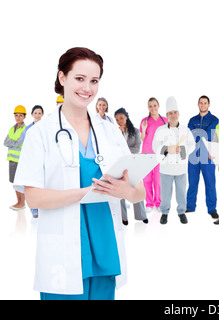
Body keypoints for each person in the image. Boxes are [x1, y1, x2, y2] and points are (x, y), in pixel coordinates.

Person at [13, 47, 146, 300]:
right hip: (62, 256)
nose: (87, 88)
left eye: (94, 81)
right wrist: (85, 193)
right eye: (80, 79)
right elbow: (34, 199)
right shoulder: (40, 133)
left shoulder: (108, 131)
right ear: (62, 78)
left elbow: (139, 192)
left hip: (106, 247)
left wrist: (125, 191)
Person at [152, 97, 195, 224]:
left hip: (181, 167)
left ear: (178, 114)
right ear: (167, 116)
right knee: (165, 193)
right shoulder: (160, 130)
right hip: (166, 168)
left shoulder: (185, 130)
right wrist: (166, 149)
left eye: (175, 112)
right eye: (170, 113)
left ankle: (181, 212)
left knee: (181, 192)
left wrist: (181, 149)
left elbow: (192, 144)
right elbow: (155, 146)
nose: (173, 115)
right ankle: (164, 212)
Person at [186, 95, 219, 218]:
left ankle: (212, 209)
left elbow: (207, 135)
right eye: (201, 103)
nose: (203, 105)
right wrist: (197, 134)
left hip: (208, 155)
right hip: (193, 155)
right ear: (198, 104)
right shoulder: (192, 119)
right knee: (192, 182)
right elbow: (189, 136)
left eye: (205, 103)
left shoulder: (214, 119)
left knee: (210, 183)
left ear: (209, 105)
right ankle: (190, 207)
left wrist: (197, 133)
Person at [114, 107, 147, 225]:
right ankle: (124, 217)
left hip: (133, 163)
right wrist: (120, 134)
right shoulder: (115, 133)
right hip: (121, 164)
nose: (119, 121)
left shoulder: (136, 131)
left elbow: (137, 148)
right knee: (121, 189)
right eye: (117, 120)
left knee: (137, 187)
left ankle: (141, 215)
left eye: (121, 118)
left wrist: (124, 150)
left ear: (126, 117)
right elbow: (115, 149)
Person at [140, 97, 168, 212]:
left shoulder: (165, 120)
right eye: (150, 106)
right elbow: (142, 139)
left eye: (154, 105)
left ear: (158, 106)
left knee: (158, 179)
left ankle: (158, 202)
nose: (153, 108)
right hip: (147, 153)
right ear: (148, 108)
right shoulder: (144, 121)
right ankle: (149, 203)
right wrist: (144, 128)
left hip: (160, 154)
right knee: (146, 180)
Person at [18, 105, 45, 217]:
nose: (37, 115)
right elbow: (22, 144)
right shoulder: (28, 129)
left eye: (39, 113)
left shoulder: (45, 126)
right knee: (32, 184)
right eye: (35, 113)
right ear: (32, 114)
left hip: (44, 158)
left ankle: (43, 206)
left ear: (42, 114)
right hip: (32, 159)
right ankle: (34, 209)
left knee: (44, 184)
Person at [4, 105, 27, 211]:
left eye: (20, 115)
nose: (18, 117)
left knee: (20, 182)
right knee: (14, 181)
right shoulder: (12, 128)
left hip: (20, 160)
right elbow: (5, 142)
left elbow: (20, 143)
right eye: (16, 115)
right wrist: (14, 142)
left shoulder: (25, 129)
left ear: (24, 117)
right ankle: (19, 202)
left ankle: (22, 203)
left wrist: (12, 142)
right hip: (12, 160)